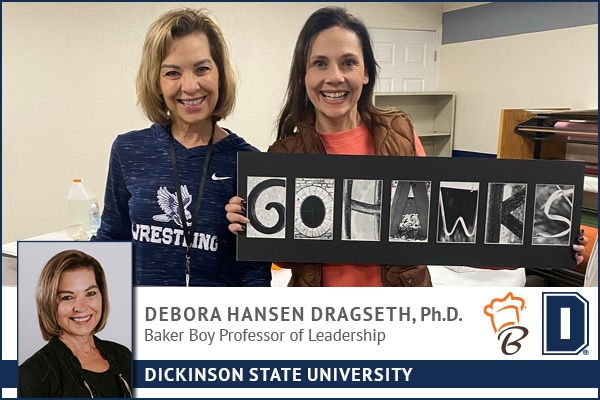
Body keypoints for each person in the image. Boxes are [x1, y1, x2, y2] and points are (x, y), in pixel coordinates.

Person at [225, 6, 590, 287]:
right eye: (319, 63)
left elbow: (445, 229)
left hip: (403, 317)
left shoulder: (397, 132)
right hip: (323, 323)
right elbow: (286, 259)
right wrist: (249, 223)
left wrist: (544, 239)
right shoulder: (284, 156)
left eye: (348, 62)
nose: (334, 77)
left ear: (366, 73)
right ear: (303, 76)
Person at [91, 8, 271, 286]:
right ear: (156, 82)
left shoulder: (248, 162)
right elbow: (112, 240)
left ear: (220, 74)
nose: (190, 86)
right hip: (144, 322)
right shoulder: (128, 150)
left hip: (216, 326)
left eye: (202, 69)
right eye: (172, 72)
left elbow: (253, 272)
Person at [18, 249, 132, 398]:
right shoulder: (32, 374)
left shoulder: (123, 355)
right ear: (48, 302)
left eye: (90, 294)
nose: (81, 307)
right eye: (67, 297)